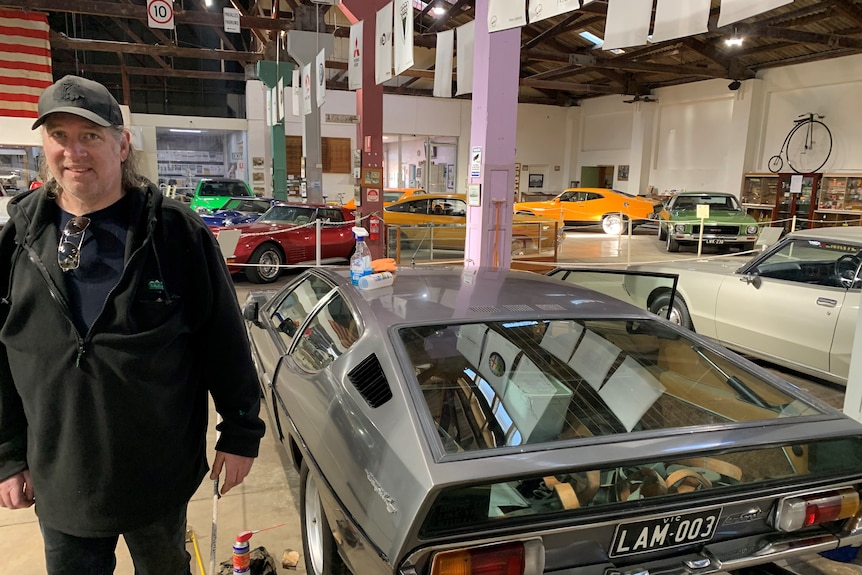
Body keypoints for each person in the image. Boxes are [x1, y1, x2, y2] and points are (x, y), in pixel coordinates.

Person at [0, 75, 265, 574]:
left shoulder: (175, 234)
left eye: (91, 136)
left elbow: (223, 341)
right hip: (60, 473)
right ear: (44, 145)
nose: (74, 151)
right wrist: (7, 456)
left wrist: (241, 431)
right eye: (59, 135)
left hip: (158, 471)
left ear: (122, 144)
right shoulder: (16, 241)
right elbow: (1, 356)